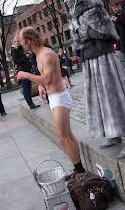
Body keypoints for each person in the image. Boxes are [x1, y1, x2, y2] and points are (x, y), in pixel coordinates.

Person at [60, 0, 125, 159]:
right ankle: (113, 134)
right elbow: (78, 37)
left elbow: (107, 31)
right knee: (100, 98)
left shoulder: (92, 5)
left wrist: (87, 32)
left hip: (103, 58)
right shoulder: (74, 12)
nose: (65, 0)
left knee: (113, 96)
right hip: (89, 60)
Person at [17, 27, 85, 174]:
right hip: (53, 99)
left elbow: (48, 78)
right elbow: (46, 78)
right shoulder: (38, 55)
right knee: (68, 137)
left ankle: (80, 172)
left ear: (29, 41)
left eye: (21, 41)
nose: (21, 44)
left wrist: (26, 75)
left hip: (60, 98)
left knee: (63, 139)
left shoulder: (47, 54)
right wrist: (41, 85)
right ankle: (79, 169)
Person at [11, 36, 40, 109]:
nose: (18, 43)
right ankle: (30, 104)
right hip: (22, 70)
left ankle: (31, 103)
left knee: (29, 87)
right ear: (14, 43)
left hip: (27, 69)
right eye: (16, 41)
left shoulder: (22, 49)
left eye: (19, 41)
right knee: (26, 87)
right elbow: (16, 61)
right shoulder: (14, 50)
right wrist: (25, 57)